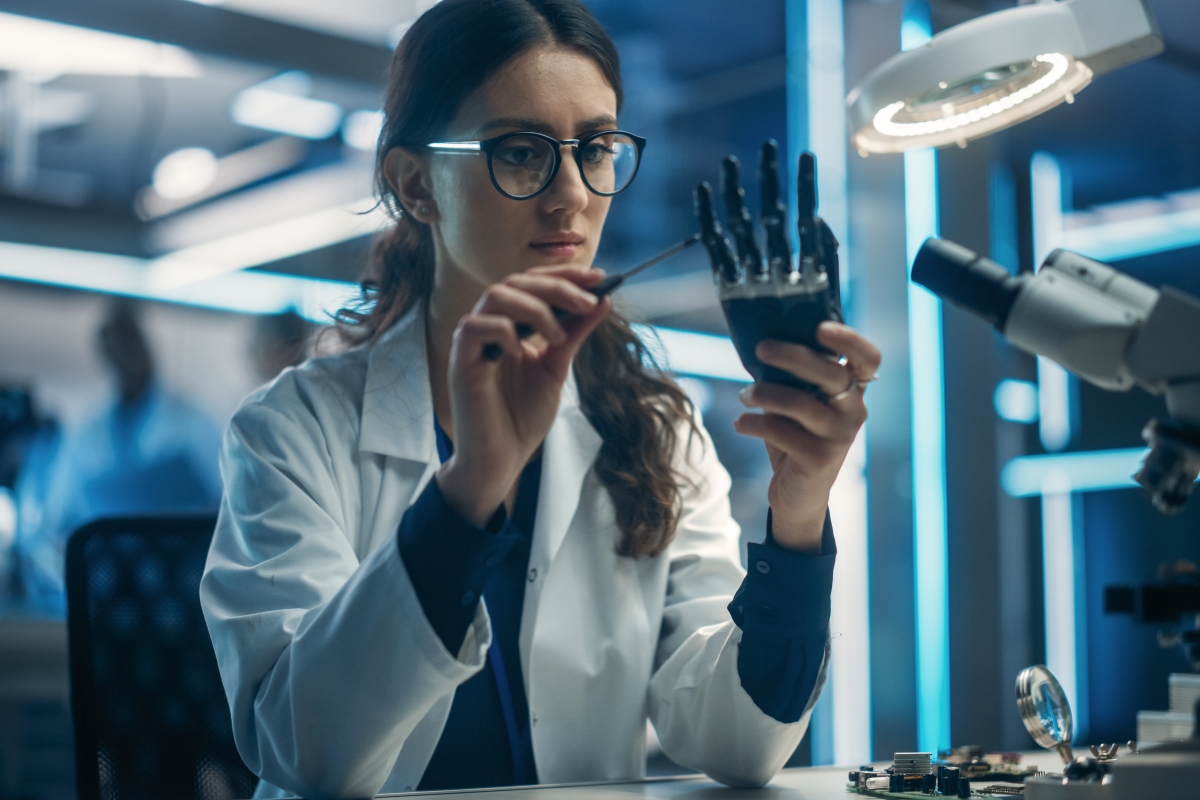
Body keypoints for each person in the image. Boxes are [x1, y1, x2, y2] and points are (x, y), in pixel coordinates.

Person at [200, 2, 881, 798]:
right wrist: (469, 490)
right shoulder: (289, 432)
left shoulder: (656, 425)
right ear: (415, 183)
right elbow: (306, 753)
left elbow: (732, 742)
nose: (571, 196)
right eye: (520, 153)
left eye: (596, 148)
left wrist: (797, 515)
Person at [29, 300, 221, 612]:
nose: (131, 357)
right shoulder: (85, 435)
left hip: (184, 593)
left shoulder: (195, 422)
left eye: (135, 344)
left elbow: (225, 505)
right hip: (108, 595)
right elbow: (57, 522)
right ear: (107, 357)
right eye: (119, 349)